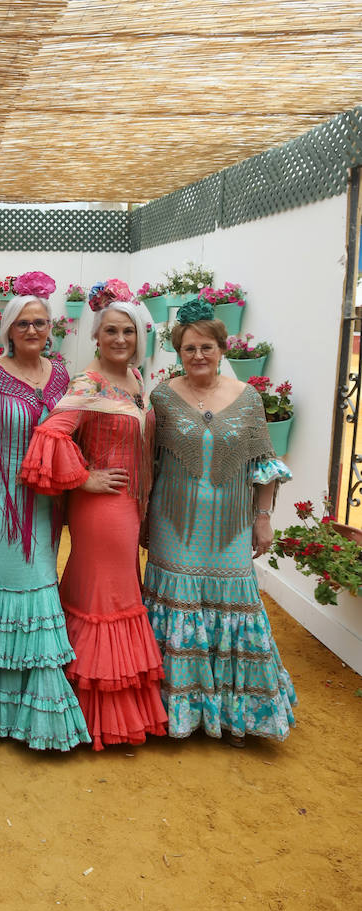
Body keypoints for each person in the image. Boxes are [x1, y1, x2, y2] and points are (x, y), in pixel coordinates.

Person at [21, 279, 167, 750]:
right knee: (109, 598)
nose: (120, 339)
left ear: (137, 337)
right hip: (103, 507)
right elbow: (50, 433)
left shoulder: (137, 379)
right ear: (97, 338)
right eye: (111, 332)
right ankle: (96, 713)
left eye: (127, 332)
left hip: (128, 506)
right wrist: (85, 479)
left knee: (104, 589)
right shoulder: (89, 380)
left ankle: (84, 704)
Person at [143, 299, 295, 744]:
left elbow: (265, 465)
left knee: (235, 609)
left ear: (221, 348)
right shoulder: (163, 397)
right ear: (178, 351)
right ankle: (174, 712)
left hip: (230, 526)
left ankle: (236, 715)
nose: (198, 356)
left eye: (206, 347)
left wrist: (262, 519)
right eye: (189, 349)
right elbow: (149, 462)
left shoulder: (248, 400)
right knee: (177, 605)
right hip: (174, 522)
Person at [0, 273, 90, 752]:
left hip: (48, 501)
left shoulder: (60, 375)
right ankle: (11, 704)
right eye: (23, 323)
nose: (32, 330)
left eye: (40, 322)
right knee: (19, 585)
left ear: (49, 328)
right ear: (9, 329)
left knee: (42, 579)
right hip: (2, 501)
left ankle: (20, 701)